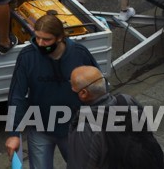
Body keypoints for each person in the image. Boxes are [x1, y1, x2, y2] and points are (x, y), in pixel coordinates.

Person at [6, 14, 99, 169]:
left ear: (60, 37)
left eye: (46, 40)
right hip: (40, 128)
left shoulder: (79, 54)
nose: (41, 44)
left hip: (74, 129)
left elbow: (97, 88)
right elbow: (17, 95)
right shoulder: (27, 56)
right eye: (37, 38)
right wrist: (14, 134)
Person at [66, 65, 158, 169]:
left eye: (73, 88)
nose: (71, 90)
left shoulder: (86, 128)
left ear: (83, 93)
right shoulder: (127, 101)